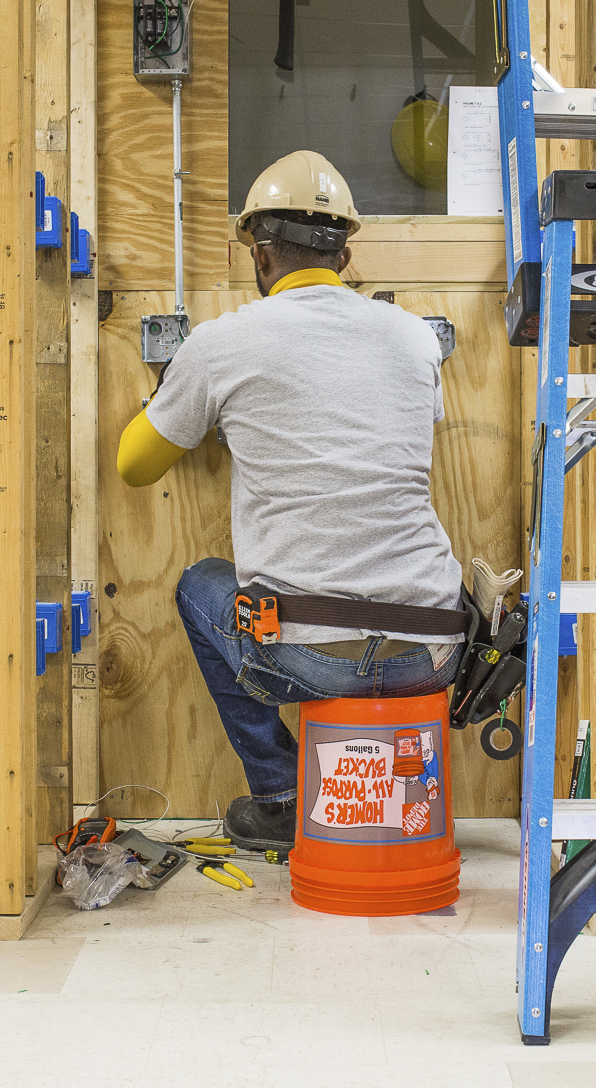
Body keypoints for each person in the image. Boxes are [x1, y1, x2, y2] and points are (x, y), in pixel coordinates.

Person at [115, 151, 466, 852]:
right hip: (432, 645)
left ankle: (278, 795)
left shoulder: (224, 343)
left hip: (309, 655)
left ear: (261, 250)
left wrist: (189, 403)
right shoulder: (411, 335)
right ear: (343, 250)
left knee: (197, 584)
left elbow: (133, 464)